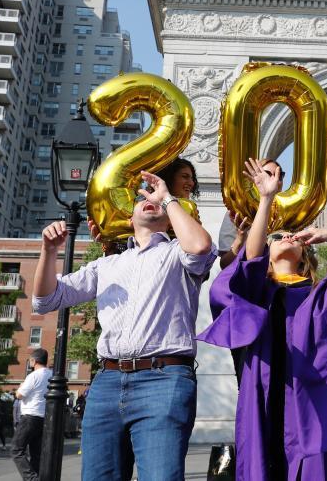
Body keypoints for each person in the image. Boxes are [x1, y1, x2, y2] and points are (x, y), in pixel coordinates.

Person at [33, 170, 216, 480]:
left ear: (170, 220)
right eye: (140, 199)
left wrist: (167, 197)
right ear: (129, 219)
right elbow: (45, 300)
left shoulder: (178, 254)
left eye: (155, 200)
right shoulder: (106, 264)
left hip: (163, 379)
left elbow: (199, 247)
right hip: (106, 382)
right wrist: (49, 251)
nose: (148, 199)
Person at [199, 158, 327, 480]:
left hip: (311, 403)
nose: (286, 238)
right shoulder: (258, 293)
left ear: (304, 256)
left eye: (293, 237)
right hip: (264, 396)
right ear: (267, 255)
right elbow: (248, 263)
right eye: (277, 237)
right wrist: (266, 198)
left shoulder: (318, 294)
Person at [11, 349, 52, 481]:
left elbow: (19, 395)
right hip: (44, 418)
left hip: (30, 416)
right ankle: (37, 476)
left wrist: (20, 387)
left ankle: (32, 479)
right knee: (36, 453)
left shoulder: (33, 376)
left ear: (34, 361)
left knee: (16, 449)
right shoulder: (51, 375)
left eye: (30, 360)